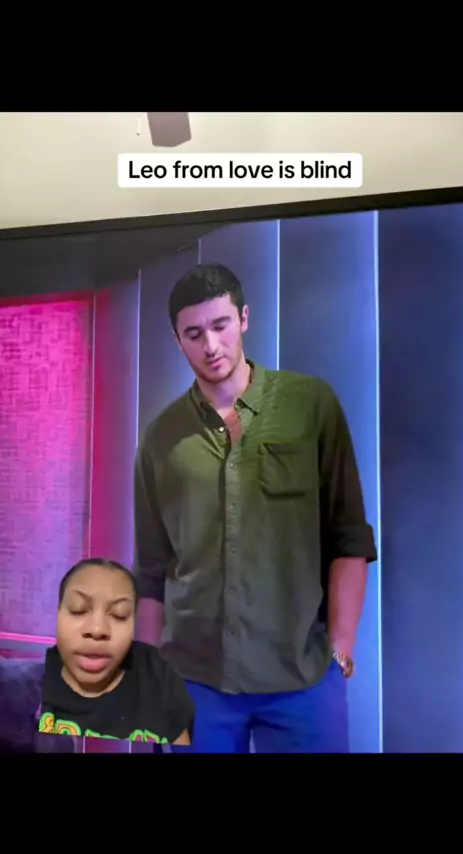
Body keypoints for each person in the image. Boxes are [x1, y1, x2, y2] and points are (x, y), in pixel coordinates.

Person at [133, 263, 377, 753]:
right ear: (178, 340)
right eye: (194, 334)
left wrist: (341, 652)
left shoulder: (310, 405)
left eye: (221, 325)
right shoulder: (161, 439)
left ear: (244, 318)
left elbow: (348, 536)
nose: (211, 346)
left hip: (302, 678)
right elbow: (153, 572)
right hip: (193, 681)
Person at [37, 558, 194, 747]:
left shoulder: (158, 678)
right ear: (58, 614)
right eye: (79, 610)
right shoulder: (27, 690)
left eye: (120, 614)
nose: (97, 629)